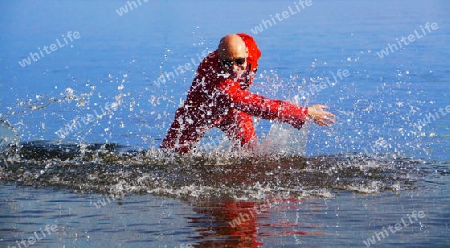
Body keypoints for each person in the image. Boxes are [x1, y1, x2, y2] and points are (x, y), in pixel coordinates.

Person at [161, 33, 335, 153]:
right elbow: (257, 105)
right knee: (171, 156)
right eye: (228, 63)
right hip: (200, 110)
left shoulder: (249, 46)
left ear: (246, 52)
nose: (235, 69)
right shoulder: (218, 82)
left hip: (234, 109)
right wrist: (303, 113)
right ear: (219, 59)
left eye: (239, 61)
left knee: (251, 153)